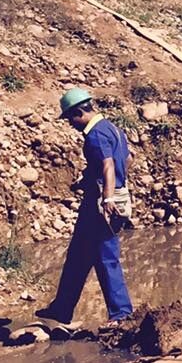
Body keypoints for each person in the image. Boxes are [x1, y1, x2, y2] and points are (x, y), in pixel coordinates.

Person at [35, 88, 134, 326]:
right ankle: (62, 309)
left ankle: (121, 314)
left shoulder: (95, 135)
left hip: (102, 204)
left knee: (105, 256)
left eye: (71, 118)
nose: (71, 124)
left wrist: (108, 197)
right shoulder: (113, 129)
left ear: (79, 112)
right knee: (78, 255)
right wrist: (95, 180)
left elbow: (108, 166)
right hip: (104, 197)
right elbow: (129, 158)